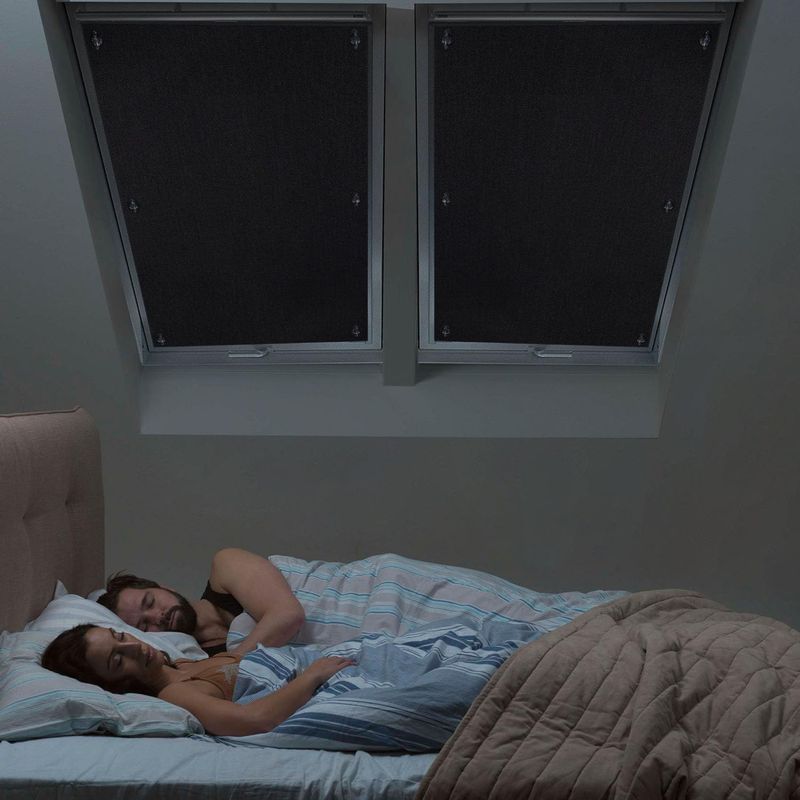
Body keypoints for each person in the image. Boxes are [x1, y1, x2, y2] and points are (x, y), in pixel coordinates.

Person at [40, 623, 354, 737]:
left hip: (329, 660)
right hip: (324, 678)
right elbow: (255, 719)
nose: (133, 646)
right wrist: (312, 675)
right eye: (118, 660)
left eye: (119, 636)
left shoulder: (183, 661)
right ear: (116, 685)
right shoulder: (174, 694)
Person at [96, 548, 304, 656]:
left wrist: (231, 664)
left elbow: (287, 615)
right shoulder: (199, 662)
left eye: (150, 602)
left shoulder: (226, 565)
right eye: (144, 625)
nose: (157, 616)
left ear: (164, 587)